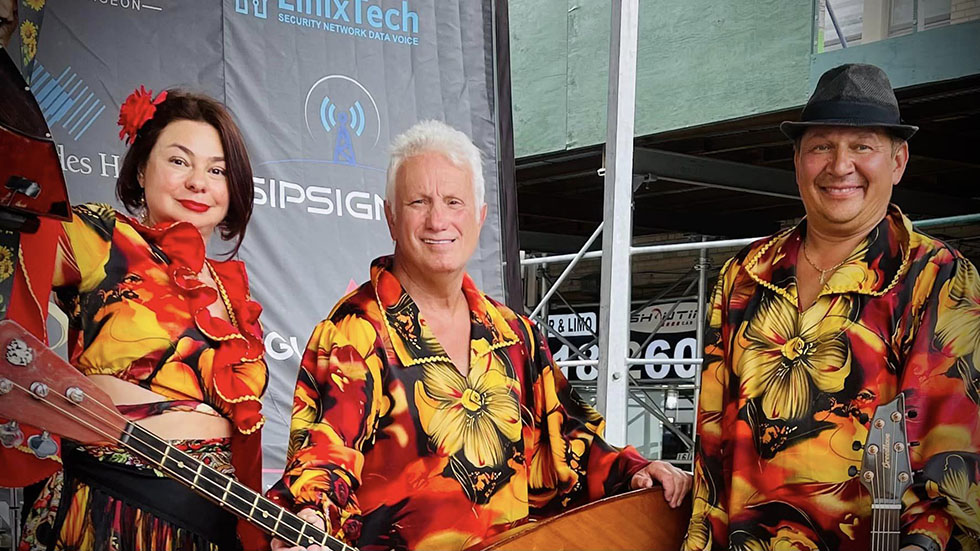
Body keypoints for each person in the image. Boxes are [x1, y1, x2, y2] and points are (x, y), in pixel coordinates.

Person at [267, 120, 692, 551]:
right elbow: (324, 453)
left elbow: (569, 441)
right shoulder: (352, 332)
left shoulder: (514, 334)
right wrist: (310, 513)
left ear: (480, 217)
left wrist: (633, 470)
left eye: (454, 202)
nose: (438, 220)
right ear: (391, 217)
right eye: (419, 201)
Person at [681, 63, 980, 551]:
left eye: (862, 146)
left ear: (899, 161)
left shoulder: (935, 277)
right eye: (821, 145)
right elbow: (713, 446)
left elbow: (957, 462)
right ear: (797, 160)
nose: (840, 166)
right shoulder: (744, 274)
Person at [15, 87, 269, 551]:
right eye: (179, 161)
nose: (198, 182)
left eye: (217, 170)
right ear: (141, 167)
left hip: (210, 526)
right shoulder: (103, 237)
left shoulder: (235, 296)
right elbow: (17, 246)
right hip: (110, 506)